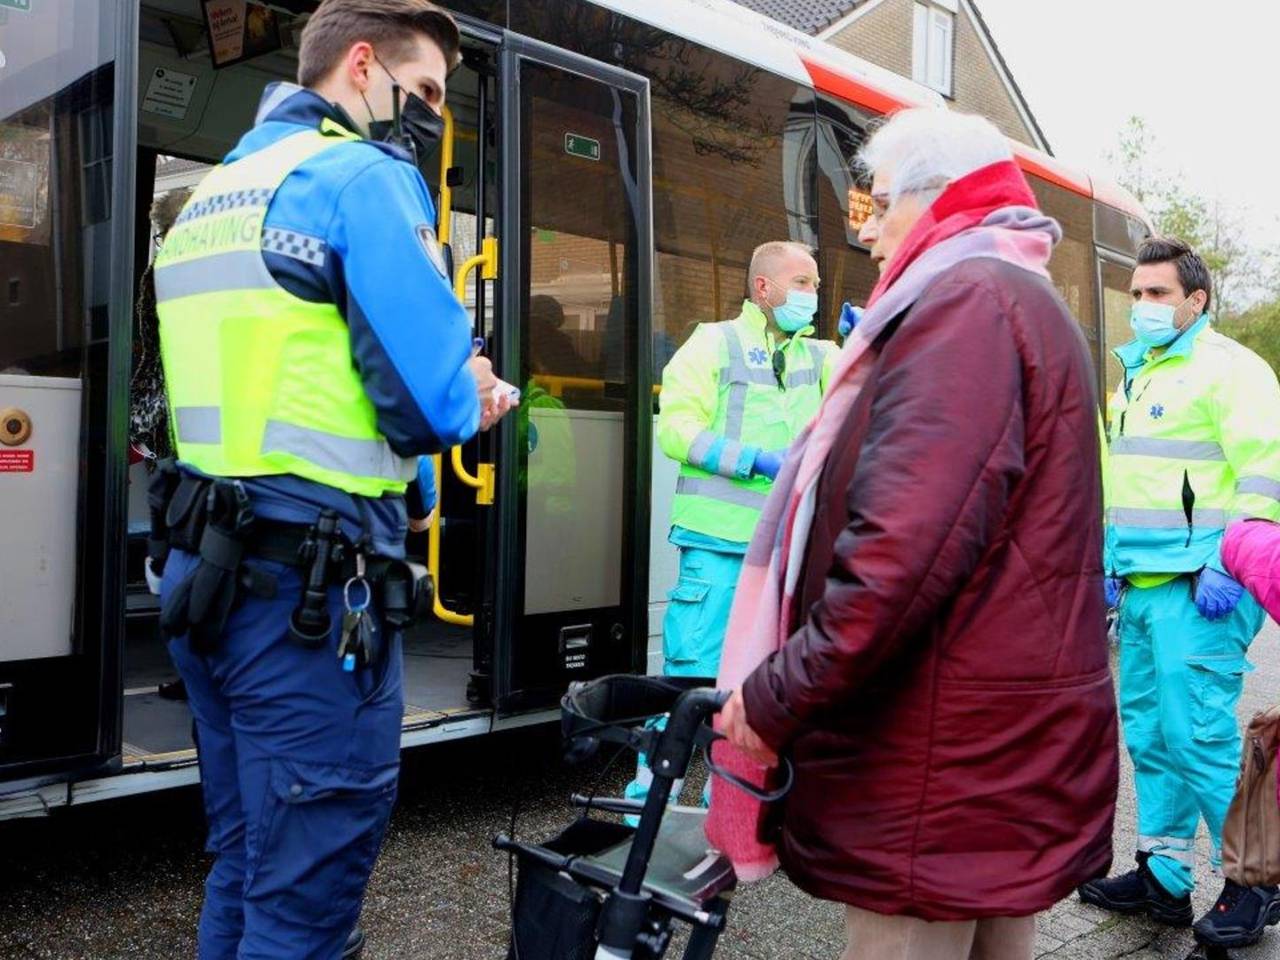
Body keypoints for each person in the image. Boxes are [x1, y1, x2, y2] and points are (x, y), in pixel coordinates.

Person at [713, 108, 1118, 960]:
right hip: (991, 748)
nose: (867, 233)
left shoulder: (964, 304)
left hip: (936, 760)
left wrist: (778, 691)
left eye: (878, 205)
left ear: (941, 198)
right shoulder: (1015, 294)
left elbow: (902, 553)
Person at [151, 2, 512, 958]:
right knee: (304, 894)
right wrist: (470, 389)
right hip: (308, 604)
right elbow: (428, 405)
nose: (432, 116)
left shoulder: (217, 193)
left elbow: (293, 383)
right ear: (362, 67)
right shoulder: (362, 176)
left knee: (244, 856)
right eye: (427, 90)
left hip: (206, 577)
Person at [1079, 237, 1280, 938]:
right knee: (1153, 738)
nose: (1142, 307)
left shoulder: (1232, 370)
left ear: (1197, 301)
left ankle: (1259, 881)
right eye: (1136, 294)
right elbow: (1130, 480)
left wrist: (1233, 561)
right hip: (1143, 584)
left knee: (1198, 739)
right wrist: (1110, 557)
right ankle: (1164, 877)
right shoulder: (1142, 373)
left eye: (1158, 294)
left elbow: (1266, 469)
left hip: (1203, 586)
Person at [623, 241, 837, 808]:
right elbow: (676, 430)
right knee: (690, 677)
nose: (811, 295)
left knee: (765, 684)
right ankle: (649, 797)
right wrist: (750, 460)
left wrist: (875, 344)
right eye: (801, 282)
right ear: (763, 288)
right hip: (718, 546)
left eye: (815, 284)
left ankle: (737, 809)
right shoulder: (712, 343)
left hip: (783, 552)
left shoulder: (822, 356)